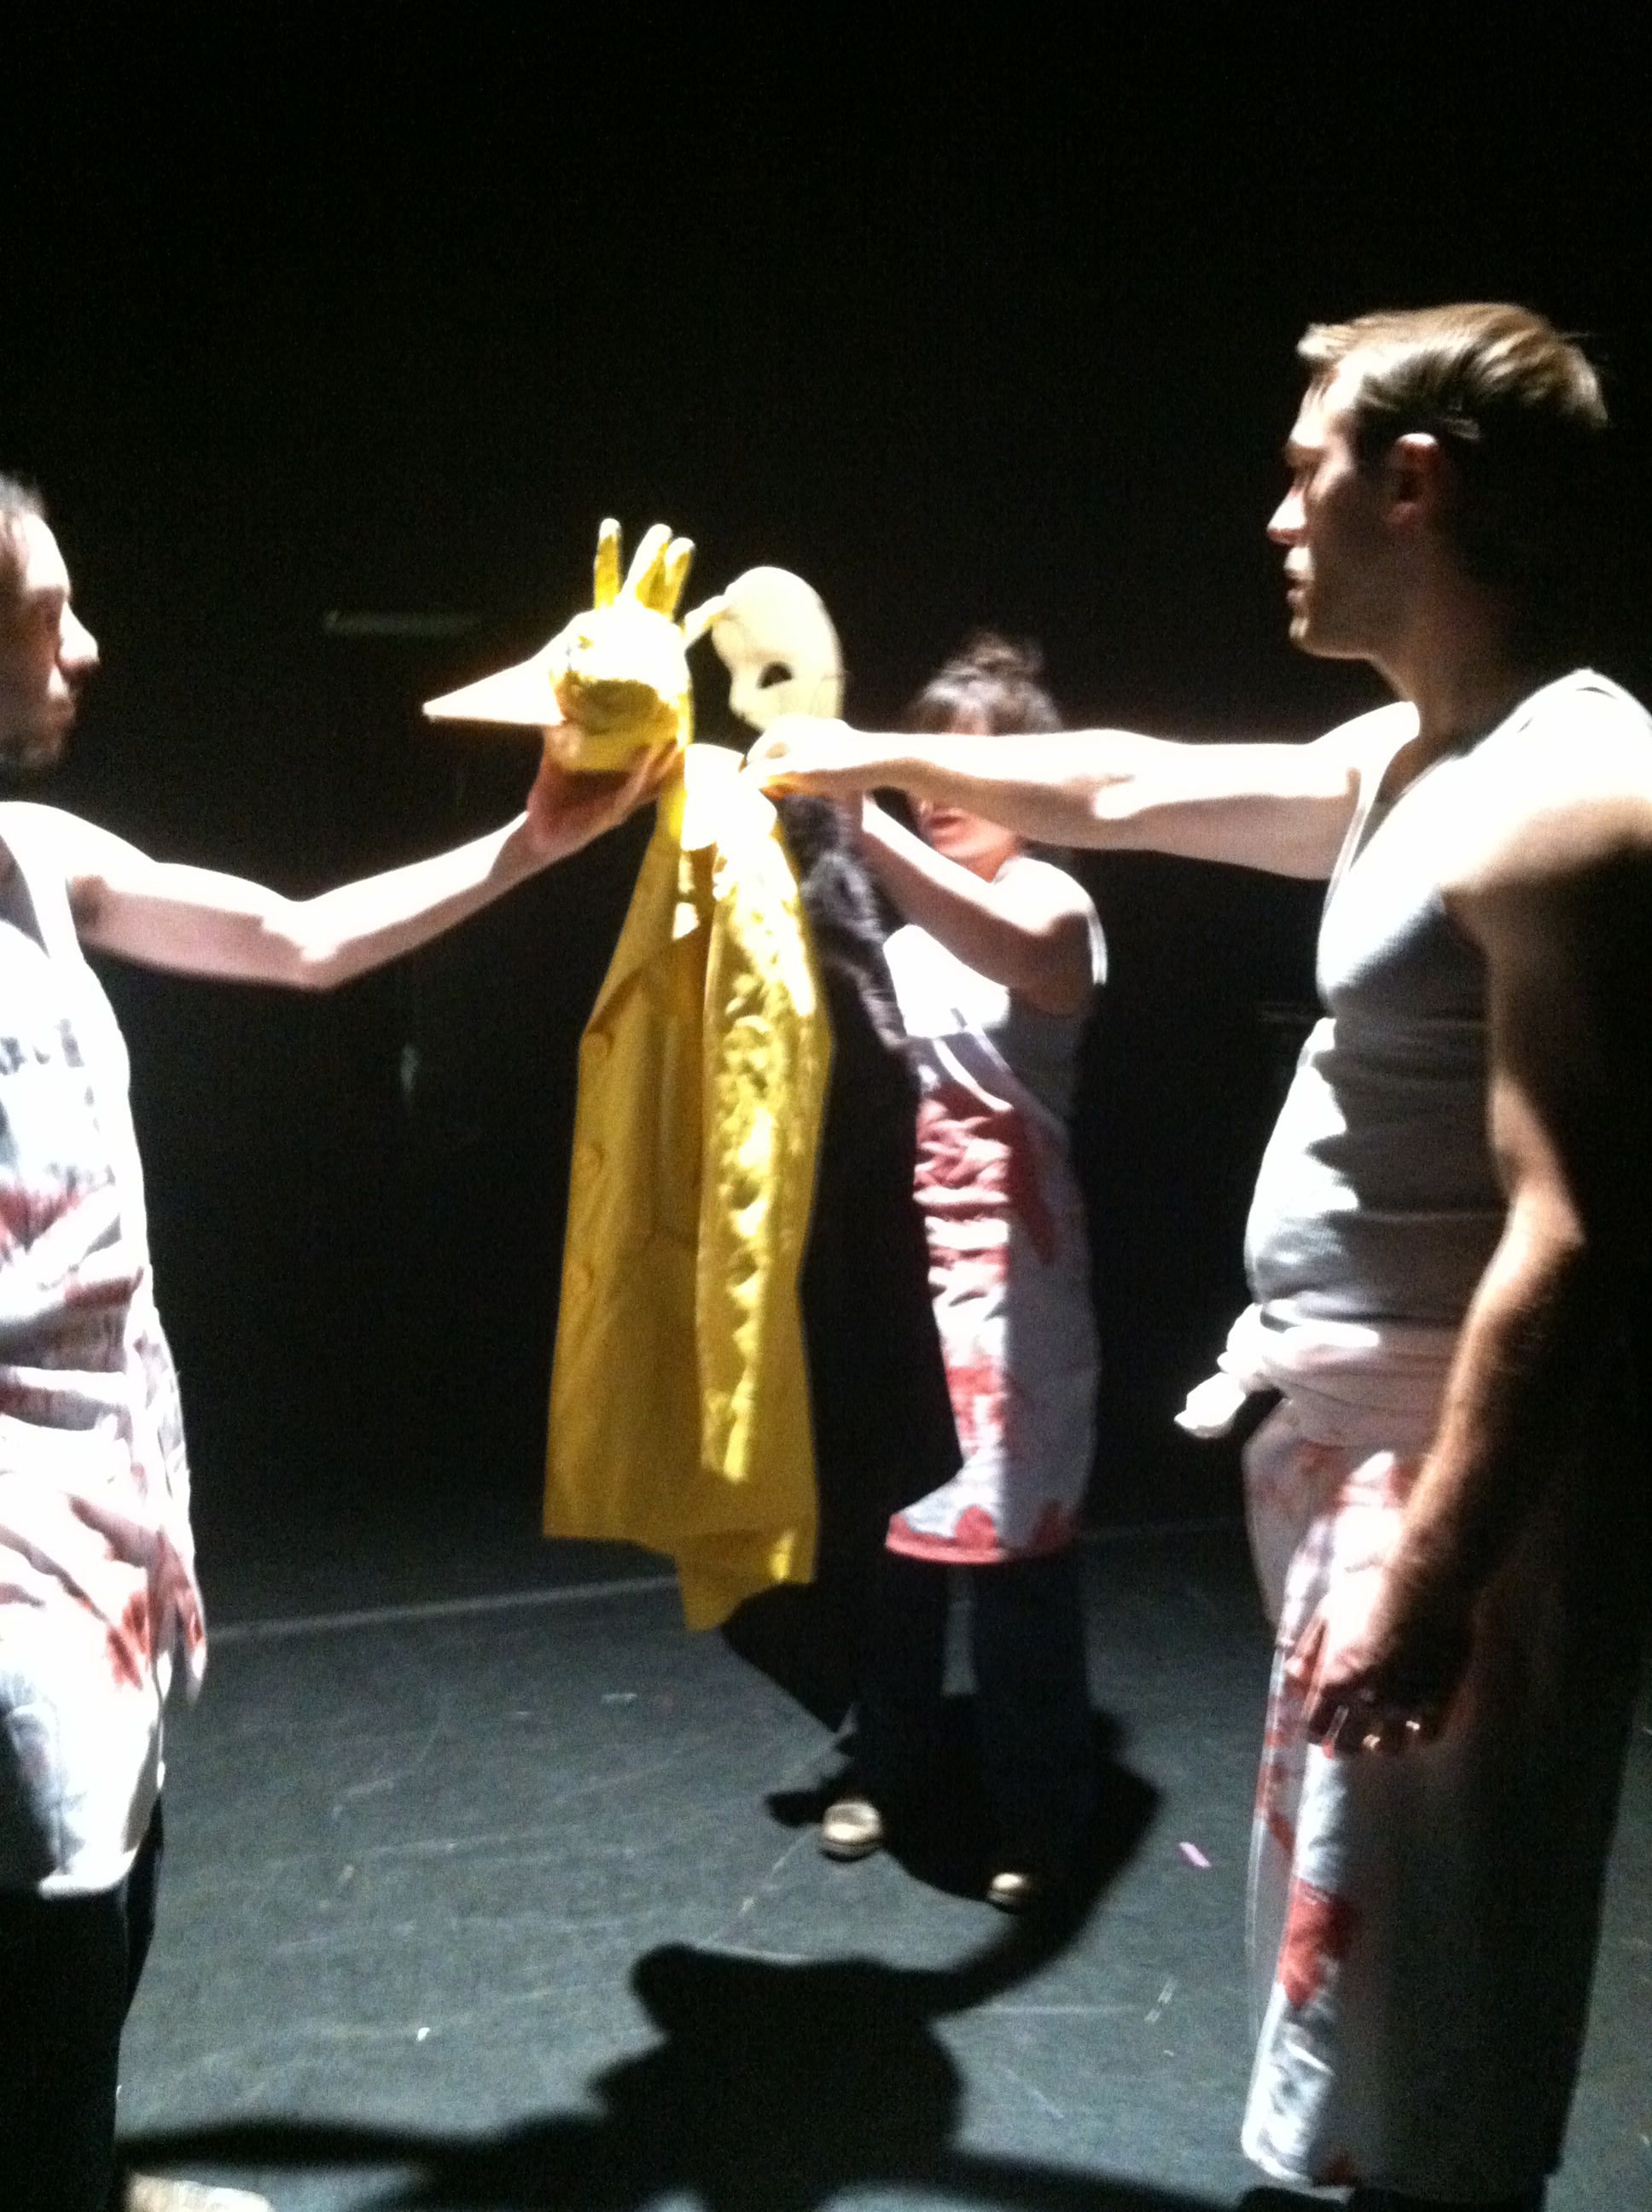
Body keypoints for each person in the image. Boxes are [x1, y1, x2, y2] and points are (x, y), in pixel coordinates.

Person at [746, 304, 1652, 2209]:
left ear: (1415, 486)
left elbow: (1573, 1225)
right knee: (1359, 1956)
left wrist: (1435, 1573)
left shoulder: (1569, 788)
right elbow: (1127, 788)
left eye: (1305, 469)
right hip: (1354, 1454)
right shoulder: (1411, 755)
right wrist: (849, 754)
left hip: (1453, 1486)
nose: (1275, 516)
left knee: (1444, 1986)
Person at [0, 475, 664, 2212]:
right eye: (44, 615)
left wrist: (536, 843)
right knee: (42, 1926)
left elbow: (297, 943)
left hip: (101, 1493)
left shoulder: (38, 861)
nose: (86, 646)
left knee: (105, 1880)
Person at [814, 636, 1104, 1912]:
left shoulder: (1053, 905)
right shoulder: (891, 927)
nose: (933, 789)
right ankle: (886, 1764)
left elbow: (1016, 948)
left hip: (1018, 1291)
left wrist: (861, 819)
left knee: (1019, 1562)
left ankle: (1039, 1811)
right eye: (917, 761)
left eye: (963, 767)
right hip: (902, 1269)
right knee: (894, 1544)